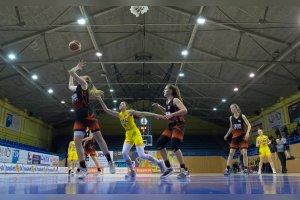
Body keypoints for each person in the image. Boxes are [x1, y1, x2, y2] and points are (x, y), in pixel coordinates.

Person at [97, 96, 166, 178]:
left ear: (126, 106)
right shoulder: (119, 115)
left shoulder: (129, 112)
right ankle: (132, 171)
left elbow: (143, 113)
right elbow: (107, 110)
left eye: (123, 104)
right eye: (120, 104)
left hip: (135, 133)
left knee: (142, 155)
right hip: (128, 134)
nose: (121, 104)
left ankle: (159, 162)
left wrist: (156, 115)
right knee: (124, 153)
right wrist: (100, 99)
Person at [68, 60, 115, 178]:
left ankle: (110, 161)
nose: (83, 77)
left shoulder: (84, 84)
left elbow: (73, 73)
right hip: (79, 117)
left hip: (88, 115)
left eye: (84, 77)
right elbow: (69, 85)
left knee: (99, 138)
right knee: (77, 141)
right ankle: (83, 167)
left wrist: (76, 68)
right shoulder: (77, 87)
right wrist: (71, 73)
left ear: (86, 80)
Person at [152, 84, 189, 179]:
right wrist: (160, 108)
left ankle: (184, 169)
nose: (163, 91)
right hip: (171, 125)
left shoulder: (175, 100)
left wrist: (171, 114)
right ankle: (169, 168)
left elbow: (184, 110)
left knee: (174, 145)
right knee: (160, 143)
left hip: (179, 124)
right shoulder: (167, 101)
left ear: (171, 91)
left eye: (165, 89)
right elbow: (168, 113)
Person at [223, 104, 252, 175]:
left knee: (244, 153)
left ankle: (245, 168)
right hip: (234, 137)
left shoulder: (242, 116)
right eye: (230, 108)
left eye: (233, 107)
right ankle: (227, 168)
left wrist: (247, 133)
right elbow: (231, 128)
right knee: (231, 153)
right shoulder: (231, 118)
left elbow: (249, 125)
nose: (231, 109)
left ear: (236, 108)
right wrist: (226, 135)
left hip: (242, 136)